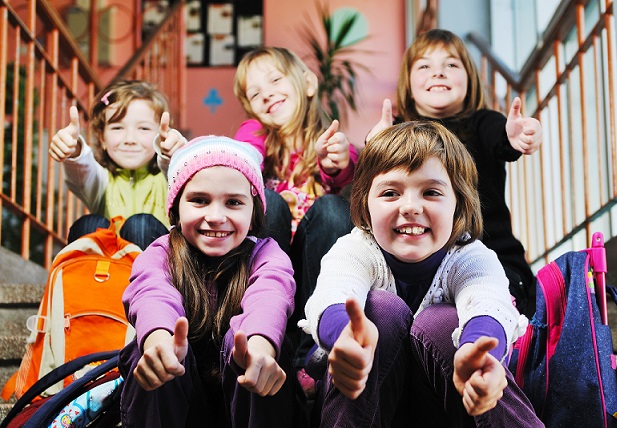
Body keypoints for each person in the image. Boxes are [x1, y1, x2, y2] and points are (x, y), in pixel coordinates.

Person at [299, 121, 544, 427]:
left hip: (446, 400)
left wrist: (479, 353)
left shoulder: (470, 257)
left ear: (459, 203)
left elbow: (489, 302)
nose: (410, 207)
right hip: (366, 399)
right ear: (365, 203)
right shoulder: (356, 249)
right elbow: (333, 292)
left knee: (440, 323)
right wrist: (344, 336)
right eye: (390, 193)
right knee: (382, 310)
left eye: (430, 192)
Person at [118, 136, 306, 427]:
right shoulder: (160, 252)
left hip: (247, 398)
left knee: (251, 348)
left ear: (252, 213)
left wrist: (260, 348)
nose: (216, 216)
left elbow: (270, 296)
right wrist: (158, 341)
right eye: (199, 200)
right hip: (182, 401)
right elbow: (151, 292)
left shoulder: (267, 255)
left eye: (233, 202)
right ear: (176, 211)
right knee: (149, 352)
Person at [367, 29, 543, 316]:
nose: (438, 73)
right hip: (417, 264)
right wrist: (375, 149)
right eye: (425, 66)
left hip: (490, 256)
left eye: (451, 65)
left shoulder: (483, 122)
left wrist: (517, 137)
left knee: (500, 303)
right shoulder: (395, 132)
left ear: (469, 79)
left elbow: (502, 137)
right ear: (408, 84)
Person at [232, 46, 358, 394]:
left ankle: (313, 354)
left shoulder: (330, 140)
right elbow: (244, 155)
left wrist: (335, 162)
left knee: (334, 209)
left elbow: (349, 167)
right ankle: (265, 336)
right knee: (268, 202)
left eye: (275, 80)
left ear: (308, 84)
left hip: (314, 268)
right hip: (270, 262)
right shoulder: (255, 134)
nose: (267, 92)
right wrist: (242, 163)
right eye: (255, 93)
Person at [49, 79, 186, 250]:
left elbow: (177, 171)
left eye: (143, 129)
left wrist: (173, 152)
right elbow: (82, 170)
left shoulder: (168, 179)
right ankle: (86, 276)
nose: (130, 140)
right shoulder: (101, 182)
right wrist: (74, 149)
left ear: (160, 136)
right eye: (117, 128)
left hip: (156, 269)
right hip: (107, 271)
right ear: (102, 138)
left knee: (140, 224)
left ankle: (145, 277)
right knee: (90, 225)